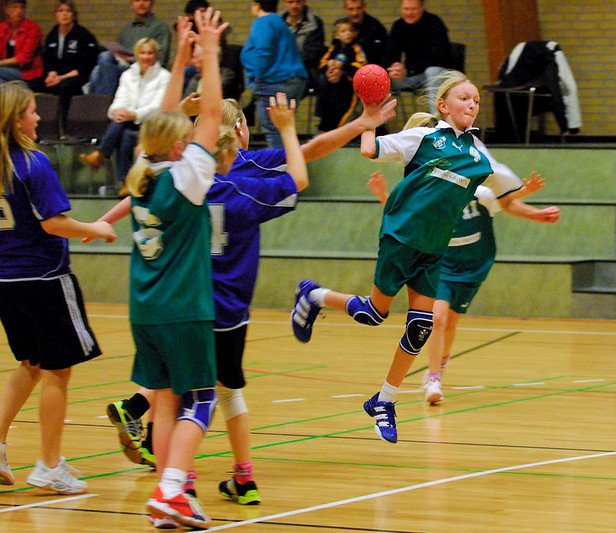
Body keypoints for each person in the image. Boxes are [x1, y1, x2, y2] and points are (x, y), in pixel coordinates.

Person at [97, 67, 398, 508]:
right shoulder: (248, 181)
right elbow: (305, 160)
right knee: (207, 396)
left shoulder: (177, 175)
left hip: (178, 300)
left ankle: (184, 469)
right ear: (238, 131)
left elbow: (142, 181)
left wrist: (104, 221)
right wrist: (357, 126)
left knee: (180, 393)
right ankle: (196, 481)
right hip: (214, 306)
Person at [290, 70, 538, 444]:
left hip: (435, 248)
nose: (472, 104)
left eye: (477, 100)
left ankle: (384, 400)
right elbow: (369, 150)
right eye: (464, 98)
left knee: (421, 326)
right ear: (443, 106)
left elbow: (504, 190)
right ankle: (313, 296)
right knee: (374, 313)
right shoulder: (424, 137)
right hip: (402, 237)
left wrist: (529, 201)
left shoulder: (479, 153)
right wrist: (369, 119)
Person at [119, 10, 226, 528]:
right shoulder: (187, 176)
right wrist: (211, 53)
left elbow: (160, 121)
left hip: (145, 308)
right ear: (178, 142)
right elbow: (209, 114)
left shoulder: (142, 170)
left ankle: (170, 498)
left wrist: (181, 55)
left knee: (164, 401)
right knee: (201, 399)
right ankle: (169, 490)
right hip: (184, 308)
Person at [365, 151, 559, 404]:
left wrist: (529, 196)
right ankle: (433, 378)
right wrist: (382, 196)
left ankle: (440, 365)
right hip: (442, 264)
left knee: (452, 322)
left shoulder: (479, 195)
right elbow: (408, 214)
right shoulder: (436, 194)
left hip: (473, 267)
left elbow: (505, 199)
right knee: (437, 318)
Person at [0, 81, 116, 494]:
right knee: (56, 369)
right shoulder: (33, 164)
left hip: (5, 281)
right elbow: (53, 223)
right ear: (16, 119)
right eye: (32, 111)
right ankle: (49, 465)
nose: (38, 117)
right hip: (44, 278)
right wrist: (97, 229)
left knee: (30, 362)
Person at [79, 38, 170, 186]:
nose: (146, 57)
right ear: (136, 54)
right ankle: (125, 183)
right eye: (142, 53)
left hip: (152, 123)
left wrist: (134, 114)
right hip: (128, 122)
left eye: (150, 53)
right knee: (124, 130)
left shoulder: (165, 76)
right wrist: (116, 111)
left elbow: (159, 106)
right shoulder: (127, 75)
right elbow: (119, 99)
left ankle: (100, 155)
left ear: (156, 55)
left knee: (122, 126)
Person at [242, 0, 307, 148]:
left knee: (275, 131)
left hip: (276, 82)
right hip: (290, 80)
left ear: (256, 5)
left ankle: (281, 169)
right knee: (283, 130)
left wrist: (255, 80)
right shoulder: (278, 21)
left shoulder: (264, 22)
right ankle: (289, 166)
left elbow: (263, 53)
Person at [87, 0, 171, 96]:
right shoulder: (126, 29)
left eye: (145, 0)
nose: (141, 4)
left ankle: (102, 104)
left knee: (102, 65)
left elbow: (161, 59)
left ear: (152, 3)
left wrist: (132, 58)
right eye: (137, 0)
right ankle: (97, 105)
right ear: (131, 4)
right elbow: (118, 52)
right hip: (123, 66)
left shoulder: (160, 28)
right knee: (99, 66)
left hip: (142, 69)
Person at [385, 0, 454, 114]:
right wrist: (394, 67)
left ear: (422, 8)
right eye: (406, 9)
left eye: (413, 9)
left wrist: (409, 70)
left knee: (433, 71)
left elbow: (437, 56)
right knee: (380, 78)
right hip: (411, 76)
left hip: (435, 75)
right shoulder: (398, 26)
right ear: (401, 10)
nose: (409, 13)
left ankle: (438, 123)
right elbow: (390, 51)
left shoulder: (434, 23)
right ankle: (378, 125)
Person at [39, 1, 100, 125]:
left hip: (77, 76)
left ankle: (66, 127)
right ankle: (43, 128)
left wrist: (61, 77)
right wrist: (51, 74)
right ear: (55, 15)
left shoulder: (83, 35)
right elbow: (48, 59)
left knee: (65, 87)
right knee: (36, 86)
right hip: (56, 76)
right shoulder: (52, 35)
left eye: (68, 11)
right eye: (60, 11)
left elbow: (86, 64)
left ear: (74, 15)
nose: (64, 14)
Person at [315, 18, 366, 132]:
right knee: (328, 111)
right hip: (331, 88)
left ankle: (339, 135)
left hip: (348, 88)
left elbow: (361, 67)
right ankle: (323, 134)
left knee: (344, 112)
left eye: (350, 31)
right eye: (343, 31)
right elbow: (322, 64)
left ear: (354, 33)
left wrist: (343, 66)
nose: (347, 33)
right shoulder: (333, 49)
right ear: (337, 35)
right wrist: (329, 66)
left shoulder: (356, 49)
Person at [282, 0, 325, 92]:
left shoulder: (315, 24)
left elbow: (311, 54)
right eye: (290, 2)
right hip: (281, 71)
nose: (294, 6)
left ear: (304, 2)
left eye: (298, 2)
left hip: (306, 72)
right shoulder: (278, 23)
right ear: (284, 3)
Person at [0, 0, 43, 86]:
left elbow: (24, 57)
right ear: (7, 9)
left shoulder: (33, 28)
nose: (19, 10)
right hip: (6, 71)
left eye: (22, 7)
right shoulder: (2, 27)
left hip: (27, 73)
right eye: (14, 7)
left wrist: (1, 63)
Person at [344, 0, 387, 66]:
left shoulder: (376, 27)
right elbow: (334, 50)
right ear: (345, 9)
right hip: (346, 69)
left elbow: (385, 54)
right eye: (351, 9)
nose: (355, 13)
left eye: (358, 8)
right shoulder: (341, 27)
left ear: (364, 7)